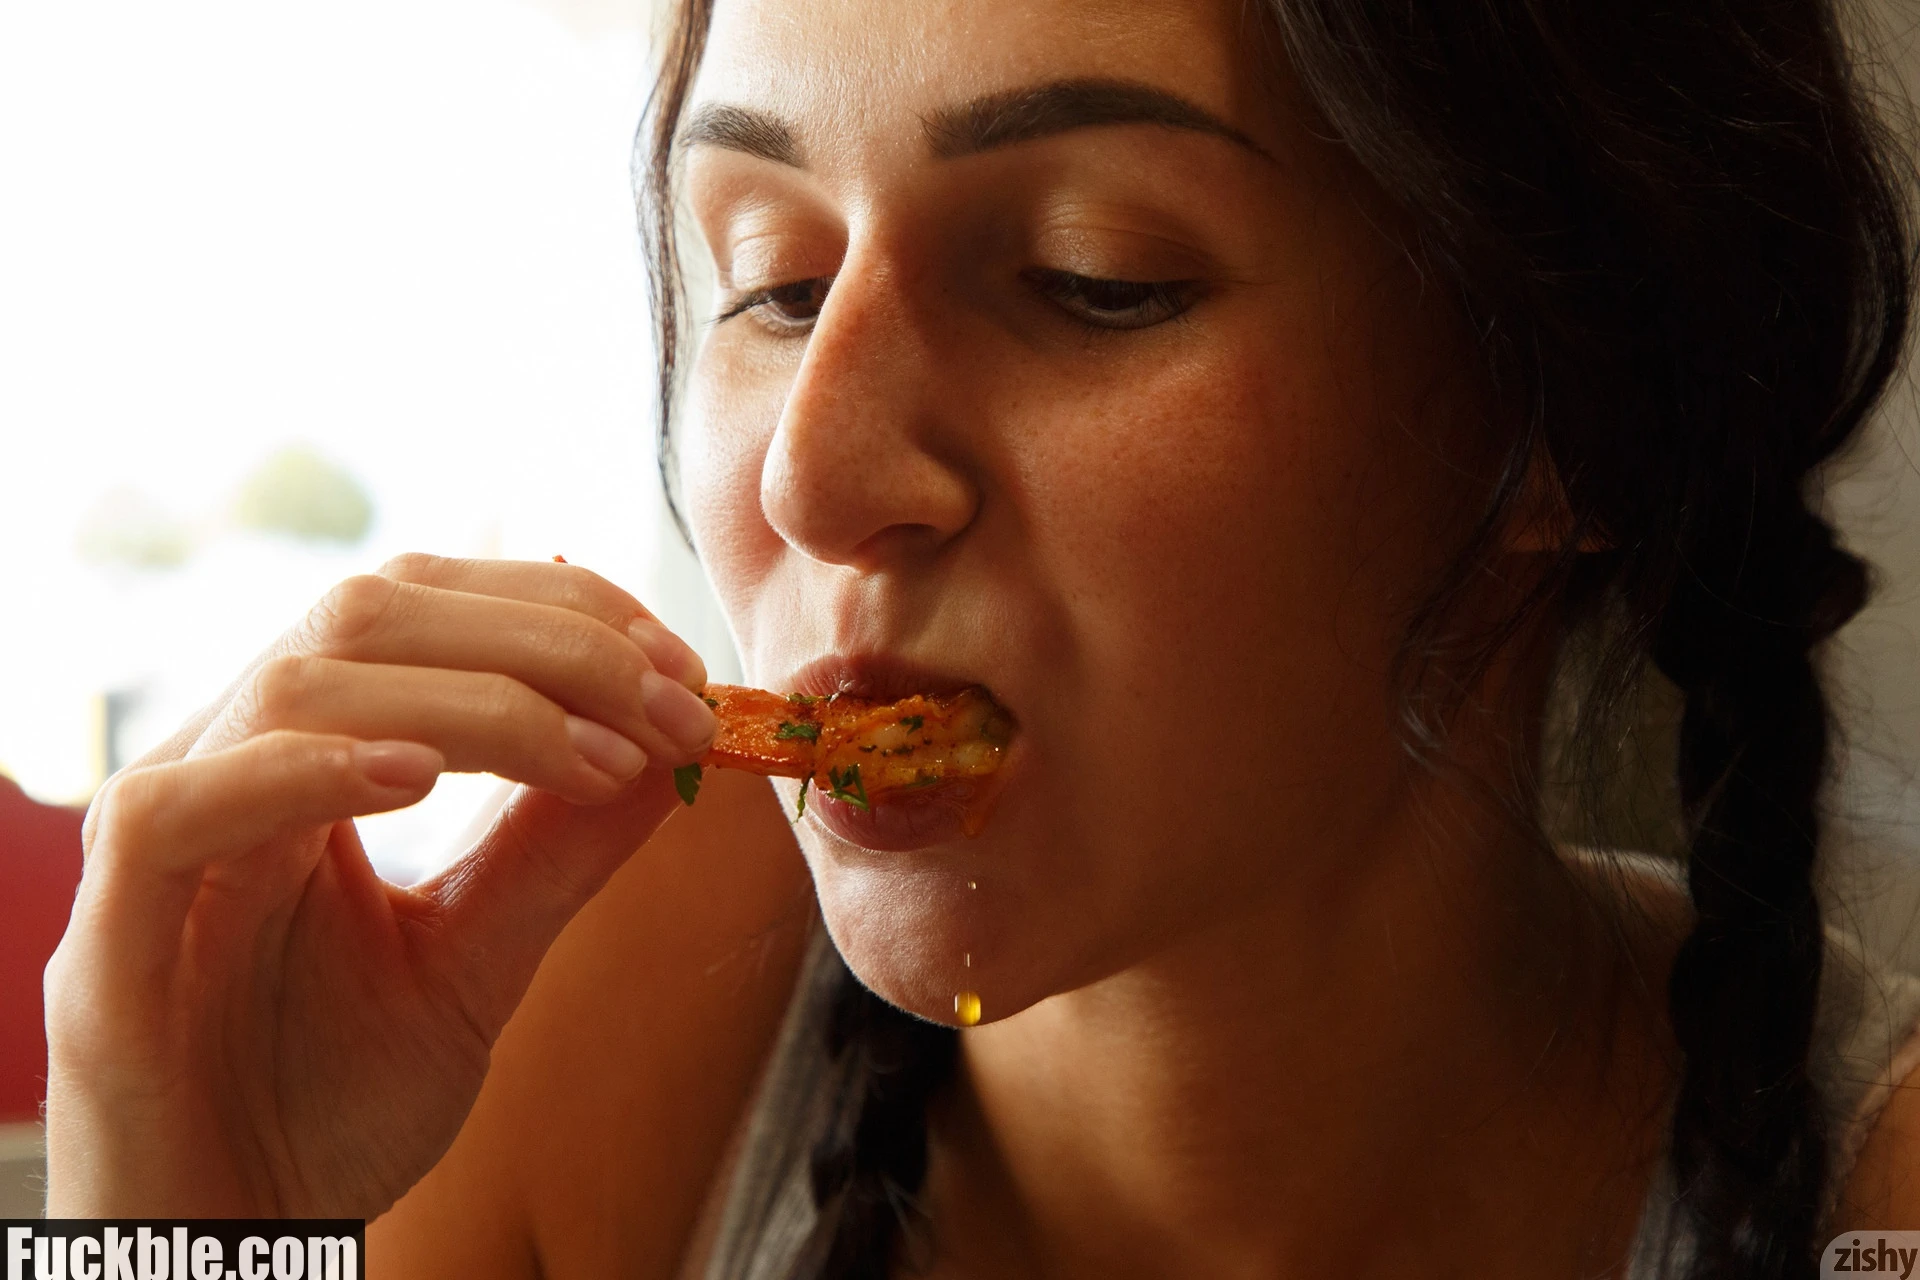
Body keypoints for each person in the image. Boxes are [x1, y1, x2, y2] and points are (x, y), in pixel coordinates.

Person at [40, 0, 1920, 1274]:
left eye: (1092, 277)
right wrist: (184, 1231)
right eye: (775, 283)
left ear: (1575, 411)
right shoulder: (589, 981)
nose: (812, 473)